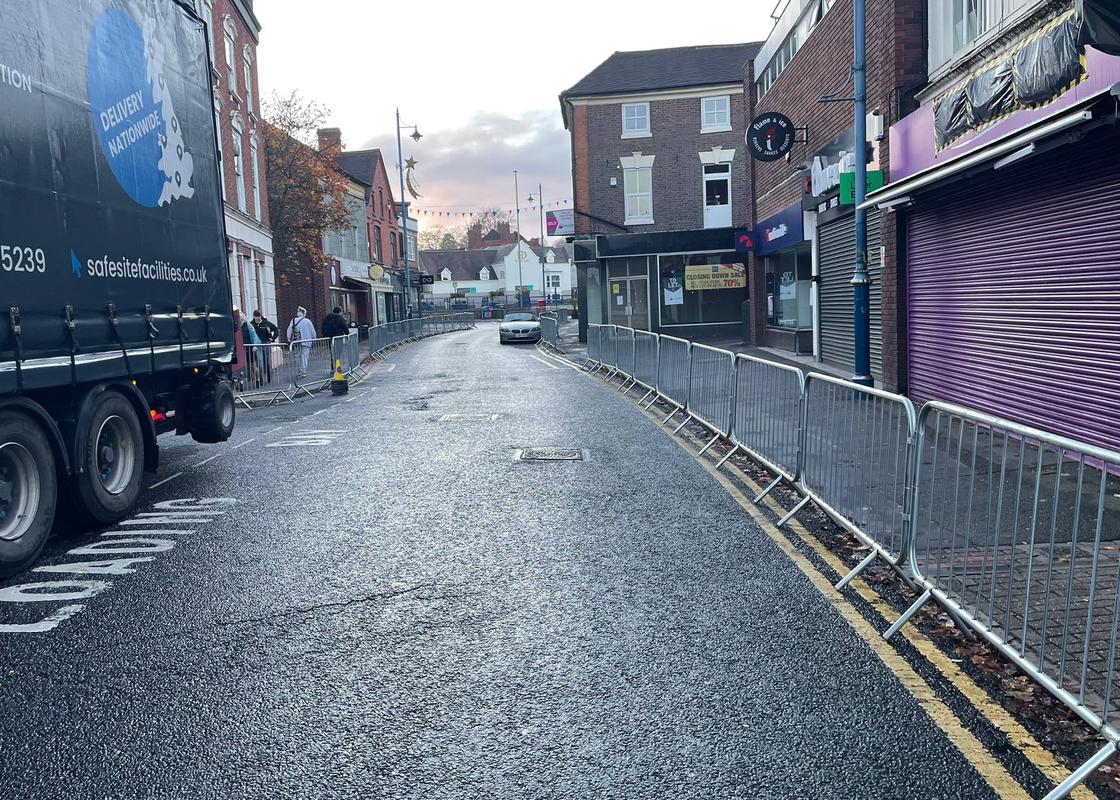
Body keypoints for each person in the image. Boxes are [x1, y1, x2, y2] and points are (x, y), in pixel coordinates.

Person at [287, 307, 316, 379]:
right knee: (304, 356)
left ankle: (299, 370)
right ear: (304, 313)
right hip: (306, 341)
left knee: (298, 356)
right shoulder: (307, 321)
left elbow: (289, 330)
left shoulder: (293, 320)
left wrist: (289, 339)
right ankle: (303, 371)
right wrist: (314, 339)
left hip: (296, 341)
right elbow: (312, 332)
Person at [251, 310, 280, 384]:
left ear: (261, 316)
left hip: (266, 344)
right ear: (254, 316)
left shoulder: (266, 323)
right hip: (257, 345)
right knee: (260, 362)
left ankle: (269, 377)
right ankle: (260, 379)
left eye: (258, 316)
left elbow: (276, 329)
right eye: (256, 317)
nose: (257, 318)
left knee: (266, 361)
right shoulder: (251, 324)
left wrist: (273, 338)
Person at [322, 306, 348, 372]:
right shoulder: (340, 318)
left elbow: (323, 327)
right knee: (338, 353)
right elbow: (344, 327)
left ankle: (333, 368)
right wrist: (347, 334)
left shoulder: (327, 318)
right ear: (339, 312)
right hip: (338, 338)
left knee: (332, 353)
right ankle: (337, 368)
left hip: (330, 338)